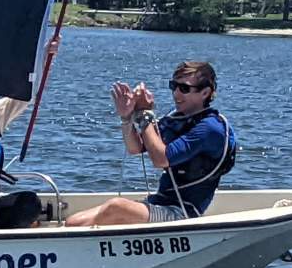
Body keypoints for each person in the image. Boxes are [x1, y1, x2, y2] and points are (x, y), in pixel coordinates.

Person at [66, 61, 236, 226]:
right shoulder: (175, 118)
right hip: (159, 202)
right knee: (73, 222)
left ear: (205, 93)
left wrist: (144, 114)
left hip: (182, 212)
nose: (176, 94)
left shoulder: (211, 128)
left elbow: (161, 159)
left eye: (184, 88)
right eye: (173, 86)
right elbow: (135, 148)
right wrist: (127, 117)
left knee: (116, 206)